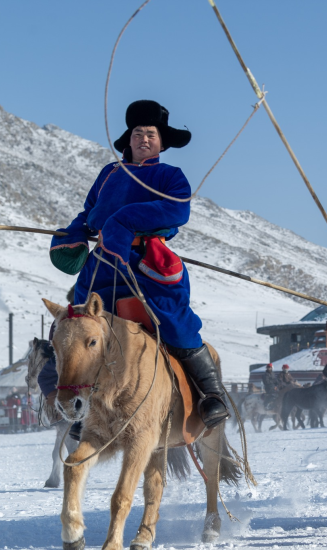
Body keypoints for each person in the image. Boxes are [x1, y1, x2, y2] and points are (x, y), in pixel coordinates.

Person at [44, 100, 227, 430]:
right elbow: (89, 213)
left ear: (161, 142)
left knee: (172, 321)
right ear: (128, 140)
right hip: (101, 265)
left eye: (151, 134)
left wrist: (124, 221)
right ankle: (82, 403)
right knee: (80, 327)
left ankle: (210, 394)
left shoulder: (170, 176)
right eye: (139, 133)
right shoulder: (109, 174)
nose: (144, 139)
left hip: (146, 262)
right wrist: (72, 233)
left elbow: (176, 211)